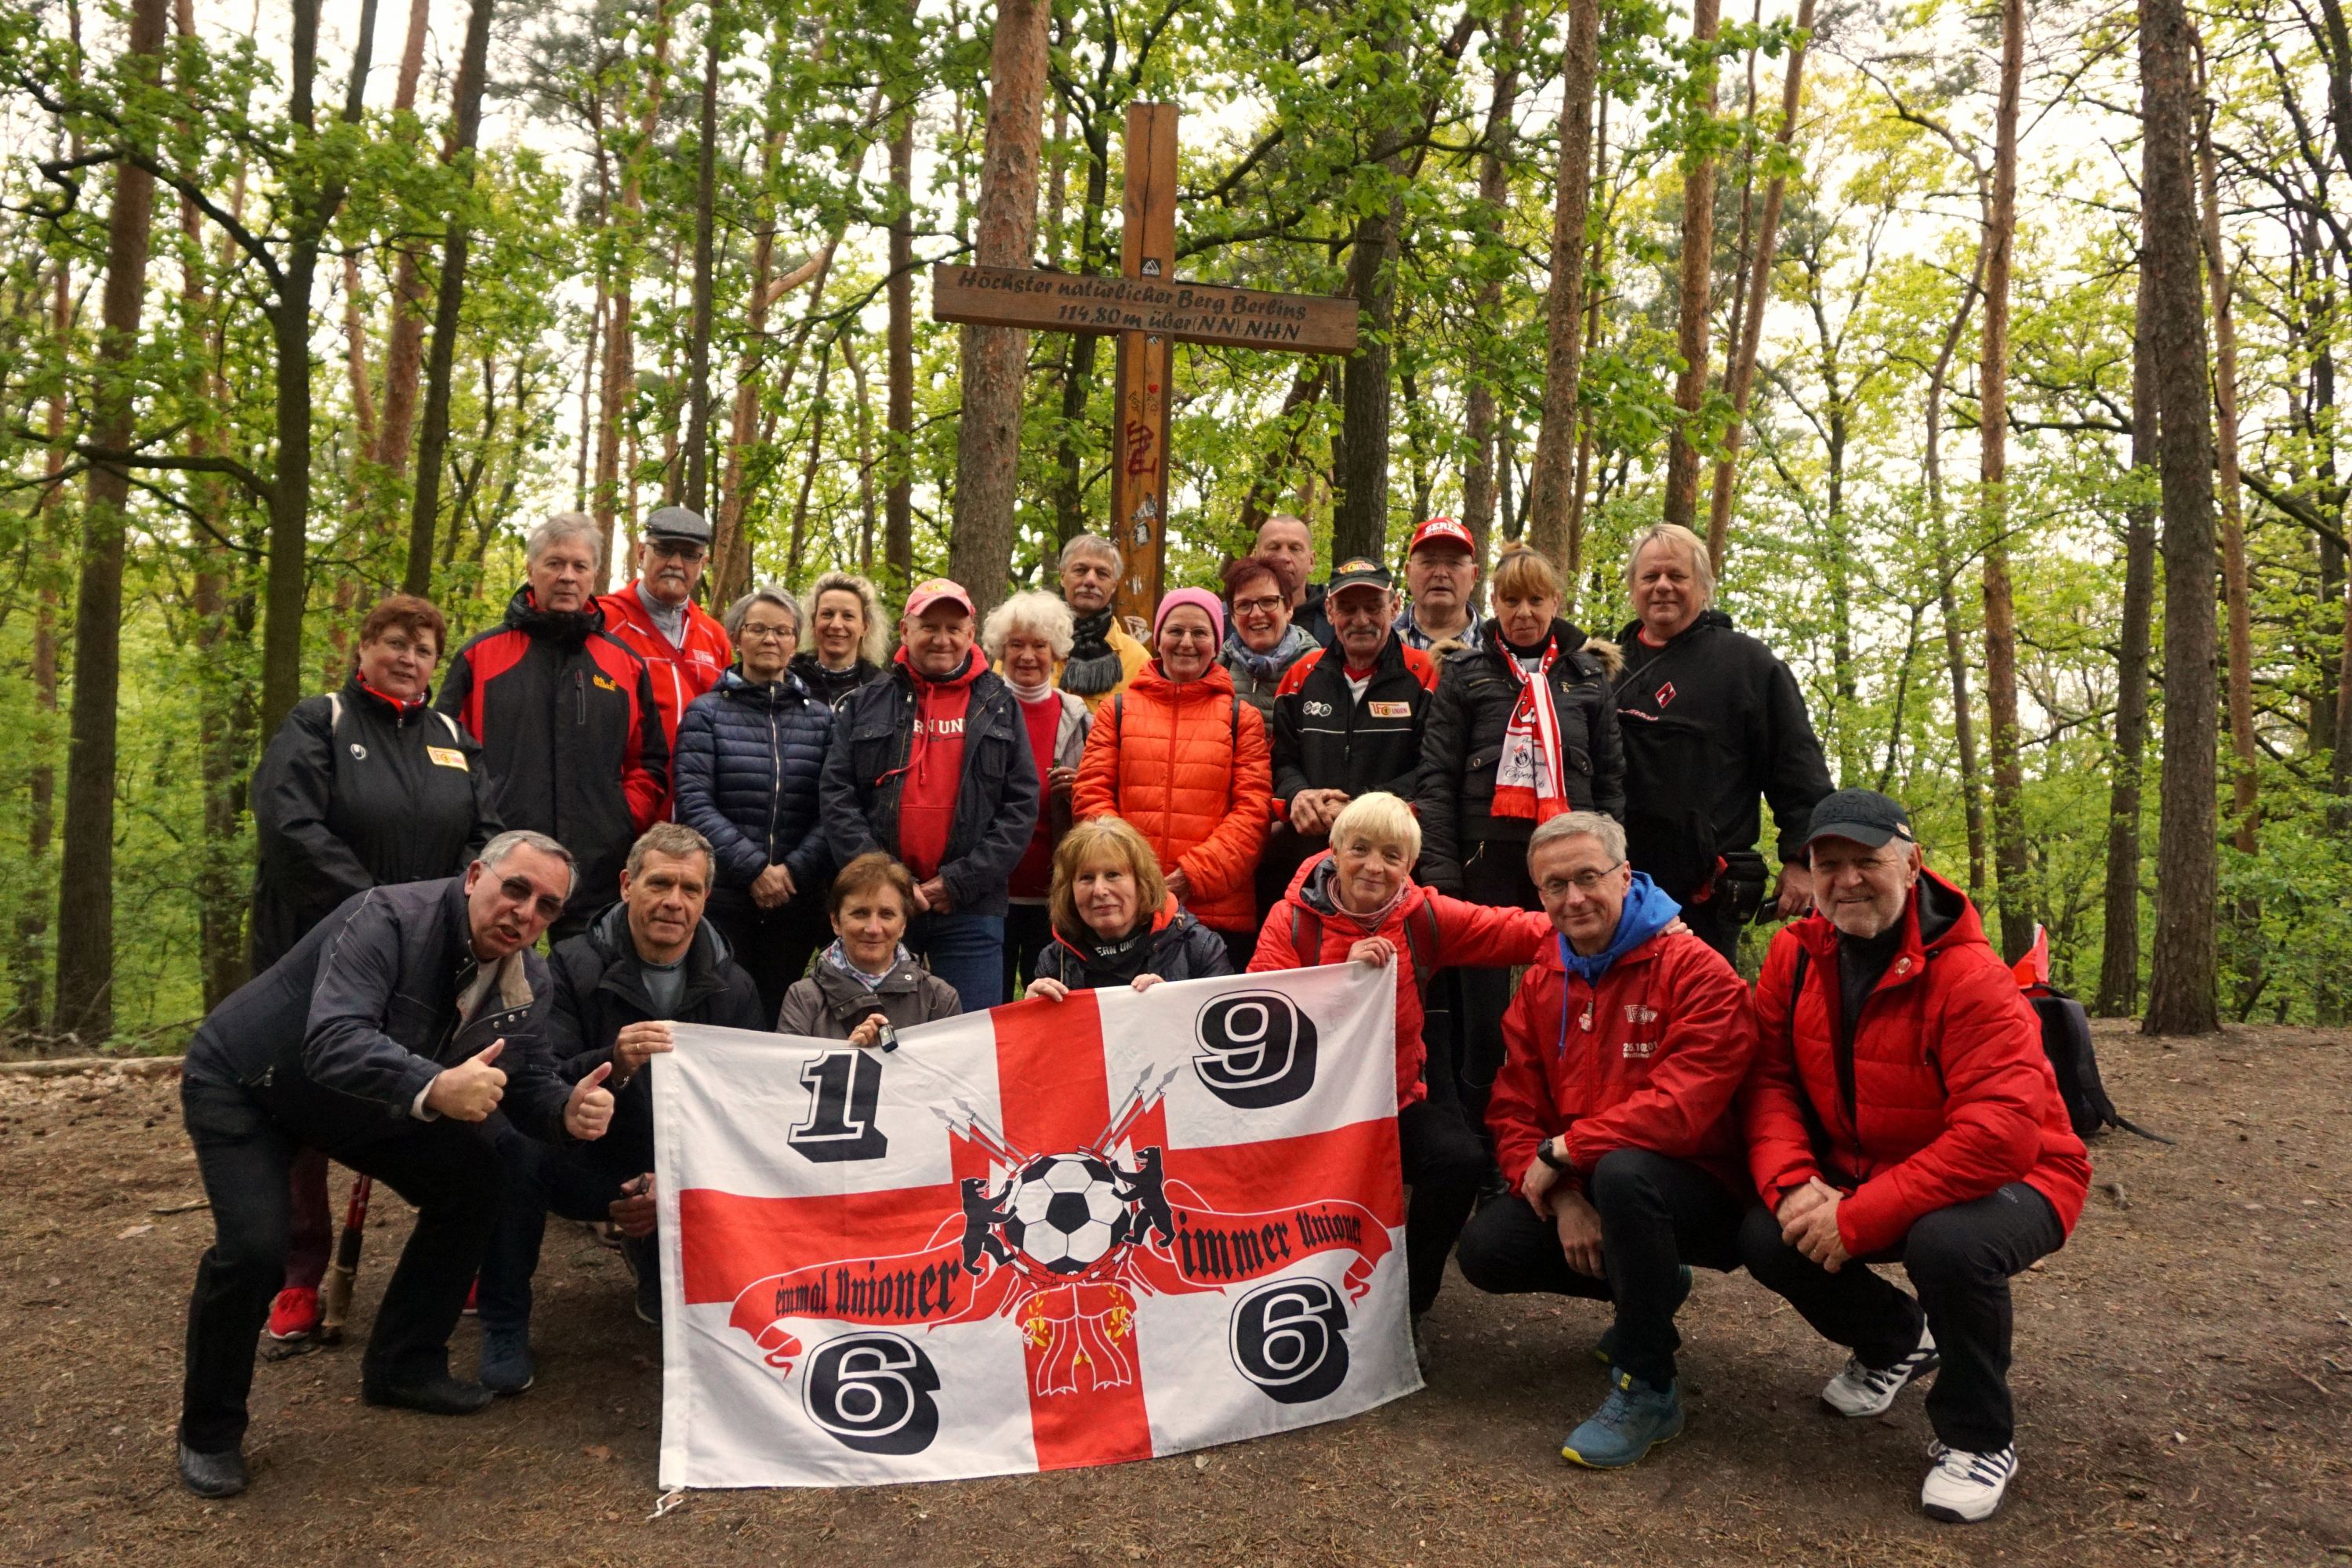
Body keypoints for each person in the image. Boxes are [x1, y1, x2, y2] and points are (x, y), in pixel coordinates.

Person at [173, 832, 617, 1498]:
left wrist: (566, 1110)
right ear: (475, 877)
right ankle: (208, 1431)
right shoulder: (383, 917)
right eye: (515, 889)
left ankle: (405, 1366)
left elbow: (525, 1083)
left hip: (364, 1103)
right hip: (248, 1083)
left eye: (546, 906)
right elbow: (334, 1039)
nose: (525, 913)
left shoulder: (531, 980)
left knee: (481, 1177)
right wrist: (435, 1087)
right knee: (256, 1251)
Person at [1738, 789, 2091, 1524]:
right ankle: (1898, 1341)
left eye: (1867, 861)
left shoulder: (1971, 975)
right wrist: (1794, 1183)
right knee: (1769, 1232)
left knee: (1948, 1246)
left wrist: (1858, 1216)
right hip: (1863, 1166)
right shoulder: (1795, 956)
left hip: (2023, 1173)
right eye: (1828, 865)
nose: (1848, 880)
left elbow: (2001, 1133)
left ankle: (1978, 1437)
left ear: (1911, 864)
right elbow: (1768, 1080)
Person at [1456, 811, 1757, 1468]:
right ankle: (1649, 1282)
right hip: (1597, 1177)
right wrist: (1564, 1196)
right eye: (1555, 886)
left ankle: (1648, 1384)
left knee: (1625, 1173)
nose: (1574, 898)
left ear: (1625, 876)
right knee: (1488, 1250)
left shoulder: (1695, 968)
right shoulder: (1544, 979)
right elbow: (1513, 1107)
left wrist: (1566, 1151)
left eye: (1588, 877)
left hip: (1700, 1187)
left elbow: (1684, 1107)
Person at [246, 593, 503, 1345]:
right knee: (304, 1102)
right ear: (364, 647)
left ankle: (455, 1248)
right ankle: (299, 1272)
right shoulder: (319, 723)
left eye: (423, 650)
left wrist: (446, 914)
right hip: (316, 944)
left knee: (443, 1087)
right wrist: (379, 911)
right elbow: (290, 827)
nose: (407, 659)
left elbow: (486, 840)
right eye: (394, 643)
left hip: (430, 952)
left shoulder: (454, 738)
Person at [1250, 793, 1551, 1355]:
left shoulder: (1423, 917)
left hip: (1390, 1104)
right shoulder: (1290, 919)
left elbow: (1515, 930)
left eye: (1392, 855)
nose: (1373, 866)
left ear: (1409, 865)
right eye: (1360, 849)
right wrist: (1342, 980)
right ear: (1334, 850)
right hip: (1304, 1114)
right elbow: (1259, 1023)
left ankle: (1407, 1305)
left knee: (1459, 1160)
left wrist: (1622, 919)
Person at [477, 825, 764, 1388]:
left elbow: (746, 1109)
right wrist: (615, 1061)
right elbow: (540, 1077)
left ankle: (665, 1263)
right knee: (512, 1146)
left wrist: (672, 1183)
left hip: (683, 1170)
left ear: (706, 898)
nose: (674, 902)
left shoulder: (735, 986)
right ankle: (503, 1322)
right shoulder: (565, 965)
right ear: (628, 885)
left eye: (689, 889)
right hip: (586, 1154)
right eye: (659, 884)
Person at [1415, 543, 1625, 1126]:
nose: (1524, 613)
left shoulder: (1589, 675)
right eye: (1511, 600)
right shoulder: (1463, 673)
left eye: (1536, 599)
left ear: (1556, 601)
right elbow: (1436, 780)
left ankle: (1564, 1133)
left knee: (1563, 1006)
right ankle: (1484, 1139)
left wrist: (1613, 872)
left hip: (1570, 869)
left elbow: (1611, 782)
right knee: (1483, 1017)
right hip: (1483, 862)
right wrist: (1442, 876)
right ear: (1494, 602)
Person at [1612, 521, 1833, 965]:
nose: (1662, 586)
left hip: (1705, 894)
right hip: (1615, 887)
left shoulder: (1748, 665)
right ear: (1633, 587)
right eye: (1650, 576)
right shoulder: (1603, 667)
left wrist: (1801, 861)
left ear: (1703, 586)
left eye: (1677, 576)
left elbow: (1798, 769)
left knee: (1703, 1005)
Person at [437, 513, 668, 937]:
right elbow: (444, 755)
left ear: (594, 575)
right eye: (554, 563)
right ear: (531, 570)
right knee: (486, 967)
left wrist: (620, 818)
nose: (567, 576)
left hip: (596, 861)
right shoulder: (481, 655)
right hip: (501, 859)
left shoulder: (625, 664)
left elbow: (650, 762)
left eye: (580, 566)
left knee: (587, 969)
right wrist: (479, 822)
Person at [819, 578, 1039, 1010]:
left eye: (953, 628)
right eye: (929, 627)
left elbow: (1020, 806)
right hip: (879, 906)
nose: (942, 639)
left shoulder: (1000, 704)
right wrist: (889, 881)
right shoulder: (865, 702)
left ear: (970, 635)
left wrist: (957, 882)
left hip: (971, 906)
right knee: (875, 1031)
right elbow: (837, 796)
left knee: (971, 1033)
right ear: (905, 631)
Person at [1073, 587, 1273, 971]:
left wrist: (1192, 876)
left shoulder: (1242, 718)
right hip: (1129, 912)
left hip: (1216, 916)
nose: (1186, 642)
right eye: (1175, 631)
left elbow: (1253, 814)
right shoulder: (1116, 711)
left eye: (1200, 633)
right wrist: (1134, 876)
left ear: (1217, 642)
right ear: (1158, 637)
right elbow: (1091, 796)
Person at [672, 585, 835, 1021]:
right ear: (737, 637)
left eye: (782, 631)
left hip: (795, 898)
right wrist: (754, 869)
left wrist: (791, 872)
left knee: (778, 1010)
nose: (770, 639)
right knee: (722, 1009)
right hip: (726, 895)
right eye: (758, 628)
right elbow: (693, 803)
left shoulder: (821, 720)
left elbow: (834, 806)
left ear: (795, 642)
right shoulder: (705, 713)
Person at [1262, 556, 1439, 916]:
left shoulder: (1425, 674)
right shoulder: (1300, 676)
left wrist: (1358, 810)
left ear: (1395, 607)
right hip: (1308, 860)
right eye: (1347, 608)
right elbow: (1280, 760)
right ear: (1330, 611)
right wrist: (1298, 795)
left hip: (1391, 865)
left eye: (1373, 607)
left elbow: (1434, 768)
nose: (1361, 620)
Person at [983, 590, 1093, 999]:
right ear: (1001, 650)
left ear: (1057, 652)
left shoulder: (1080, 719)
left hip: (1055, 894)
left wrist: (1078, 789)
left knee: (1048, 1005)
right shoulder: (980, 712)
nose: (1027, 656)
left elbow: (1099, 802)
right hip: (988, 893)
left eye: (1039, 645)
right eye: (1017, 645)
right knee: (989, 1006)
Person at [1023, 817, 1232, 998]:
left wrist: (1173, 1006)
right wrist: (1033, 1017)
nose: (1099, 890)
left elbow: (1227, 1027)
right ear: (1069, 890)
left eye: (1113, 875)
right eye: (1086, 878)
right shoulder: (1055, 961)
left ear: (1142, 883)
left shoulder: (1199, 949)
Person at [593, 504, 734, 760]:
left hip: (695, 783)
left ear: (703, 564)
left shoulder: (714, 637)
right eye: (665, 550)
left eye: (689, 555)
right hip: (623, 782)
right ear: (641, 553)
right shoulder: (602, 621)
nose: (675, 564)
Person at [777, 851, 964, 1042]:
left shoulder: (940, 998)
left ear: (903, 925)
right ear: (836, 922)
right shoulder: (803, 998)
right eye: (860, 913)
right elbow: (787, 1062)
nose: (873, 929)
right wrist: (848, 1052)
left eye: (886, 914)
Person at [1218, 554, 1319, 717]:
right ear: (1233, 617)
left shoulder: (1317, 668)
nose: (1256, 614)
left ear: (1288, 609)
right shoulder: (1218, 668)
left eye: (1268, 601)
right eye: (1244, 605)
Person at [1054, 533, 1151, 700]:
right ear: (1062, 577)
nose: (1090, 580)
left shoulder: (1138, 660)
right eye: (1080, 570)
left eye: (1102, 573)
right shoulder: (1030, 646)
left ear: (1114, 585)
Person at [792, 569, 890, 707]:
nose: (836, 625)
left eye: (848, 616)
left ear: (864, 627)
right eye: (827, 614)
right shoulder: (789, 680)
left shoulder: (883, 690)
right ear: (813, 622)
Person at [1394, 516, 1485, 654]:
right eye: (1428, 562)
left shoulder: (1499, 647)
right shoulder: (1382, 642)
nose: (1441, 573)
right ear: (1408, 572)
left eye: (1454, 563)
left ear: (1473, 576)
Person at [1254, 513, 1330, 644]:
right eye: (1274, 548)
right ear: (1256, 558)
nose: (1284, 557)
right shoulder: (1226, 618)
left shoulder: (1335, 620)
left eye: (1295, 549)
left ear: (1311, 562)